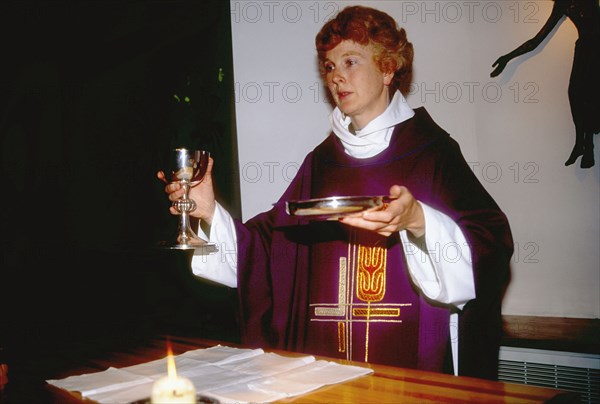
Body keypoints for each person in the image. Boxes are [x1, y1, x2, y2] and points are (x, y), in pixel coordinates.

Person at [159, 5, 513, 380]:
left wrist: (420, 221)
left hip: (411, 368)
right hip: (325, 364)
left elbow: (489, 245)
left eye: (351, 62)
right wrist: (211, 212)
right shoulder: (321, 162)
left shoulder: (431, 153)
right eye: (329, 67)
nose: (337, 78)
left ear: (388, 68)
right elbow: (269, 250)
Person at [490, 0, 600, 169]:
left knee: (590, 94)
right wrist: (508, 58)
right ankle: (583, 145)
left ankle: (586, 146)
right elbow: (536, 41)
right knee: (575, 94)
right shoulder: (562, 4)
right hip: (584, 48)